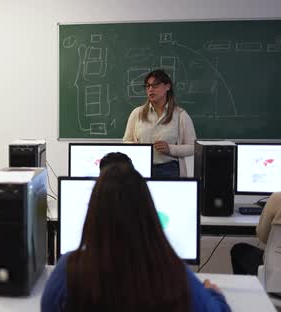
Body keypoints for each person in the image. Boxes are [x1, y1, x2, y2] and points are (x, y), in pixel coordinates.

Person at [41, 163, 230, 312]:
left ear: (93, 215)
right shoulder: (173, 272)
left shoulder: (70, 270)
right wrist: (215, 294)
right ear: (148, 213)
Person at [123, 69, 196, 178]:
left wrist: (170, 149)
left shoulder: (180, 115)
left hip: (169, 169)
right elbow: (126, 141)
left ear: (167, 86)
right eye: (148, 86)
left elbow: (193, 147)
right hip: (141, 170)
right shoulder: (137, 113)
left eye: (155, 85)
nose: (150, 89)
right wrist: (135, 147)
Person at [230, 192, 281, 275]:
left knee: (239, 249)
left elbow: (263, 237)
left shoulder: (276, 198)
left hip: (273, 271)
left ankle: (246, 287)